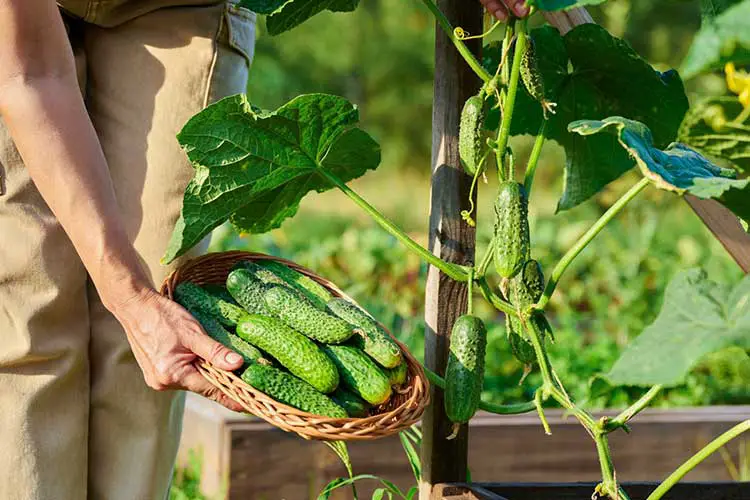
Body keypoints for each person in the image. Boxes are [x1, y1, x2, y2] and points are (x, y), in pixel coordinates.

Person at [0, 0, 554, 498]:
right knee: (33, 317)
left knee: (162, 324)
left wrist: (140, 302)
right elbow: (30, 75)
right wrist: (126, 295)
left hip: (175, 7)